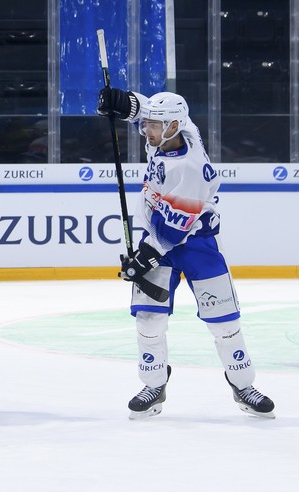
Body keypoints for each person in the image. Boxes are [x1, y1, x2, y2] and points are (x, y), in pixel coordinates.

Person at [97, 88, 275, 420]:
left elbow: (173, 232)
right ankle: (154, 385)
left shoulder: (189, 168)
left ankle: (243, 385)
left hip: (196, 245)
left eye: (153, 125)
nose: (146, 131)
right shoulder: (180, 131)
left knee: (224, 323)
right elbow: (149, 110)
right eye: (147, 123)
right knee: (149, 319)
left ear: (173, 126)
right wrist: (123, 103)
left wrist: (144, 259)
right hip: (159, 240)